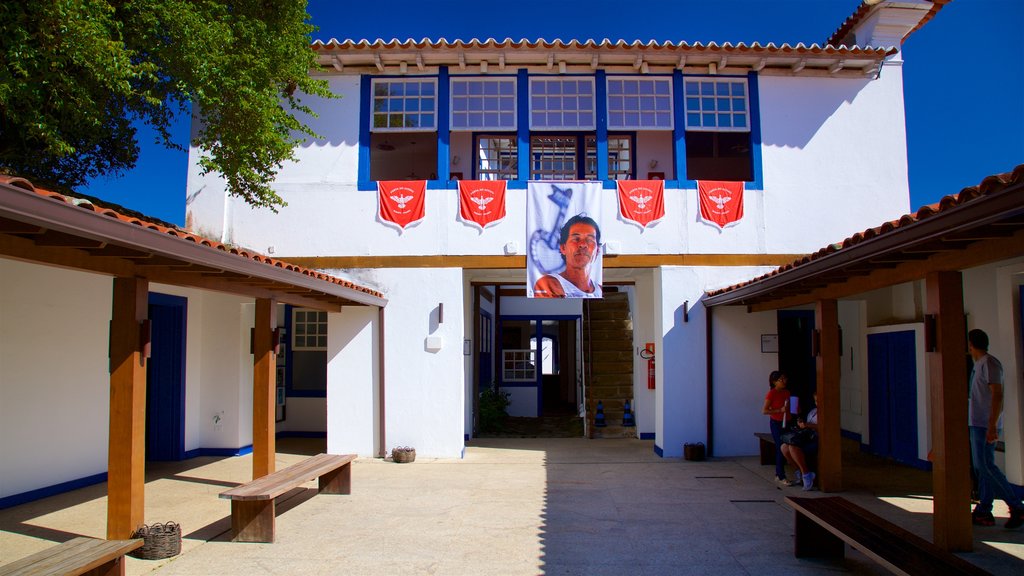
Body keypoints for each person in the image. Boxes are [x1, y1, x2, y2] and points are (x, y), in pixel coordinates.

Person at [967, 329, 1024, 529]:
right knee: (982, 467)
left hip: (984, 424)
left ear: (971, 344)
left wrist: (992, 425)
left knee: (986, 467)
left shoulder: (990, 364)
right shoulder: (980, 365)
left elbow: (997, 394)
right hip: (978, 423)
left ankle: (1016, 506)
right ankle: (984, 510)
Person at [532, 215, 602, 298]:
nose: (583, 244)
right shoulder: (548, 283)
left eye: (590, 240)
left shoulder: (600, 290)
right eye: (576, 239)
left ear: (597, 250)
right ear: (563, 248)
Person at [781, 391, 818, 491]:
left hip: (816, 440)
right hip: (806, 437)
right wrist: (802, 423)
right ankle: (799, 472)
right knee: (784, 447)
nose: (817, 403)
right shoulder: (813, 411)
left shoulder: (827, 413)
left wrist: (808, 425)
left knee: (793, 448)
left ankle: (806, 474)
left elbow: (824, 427)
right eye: (816, 401)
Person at [761, 371, 791, 487]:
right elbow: (764, 410)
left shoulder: (787, 392)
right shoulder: (771, 394)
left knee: (787, 446)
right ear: (774, 382)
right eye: (781, 379)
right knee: (780, 447)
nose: (784, 381)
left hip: (787, 421)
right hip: (776, 423)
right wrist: (779, 410)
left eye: (785, 379)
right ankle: (780, 474)